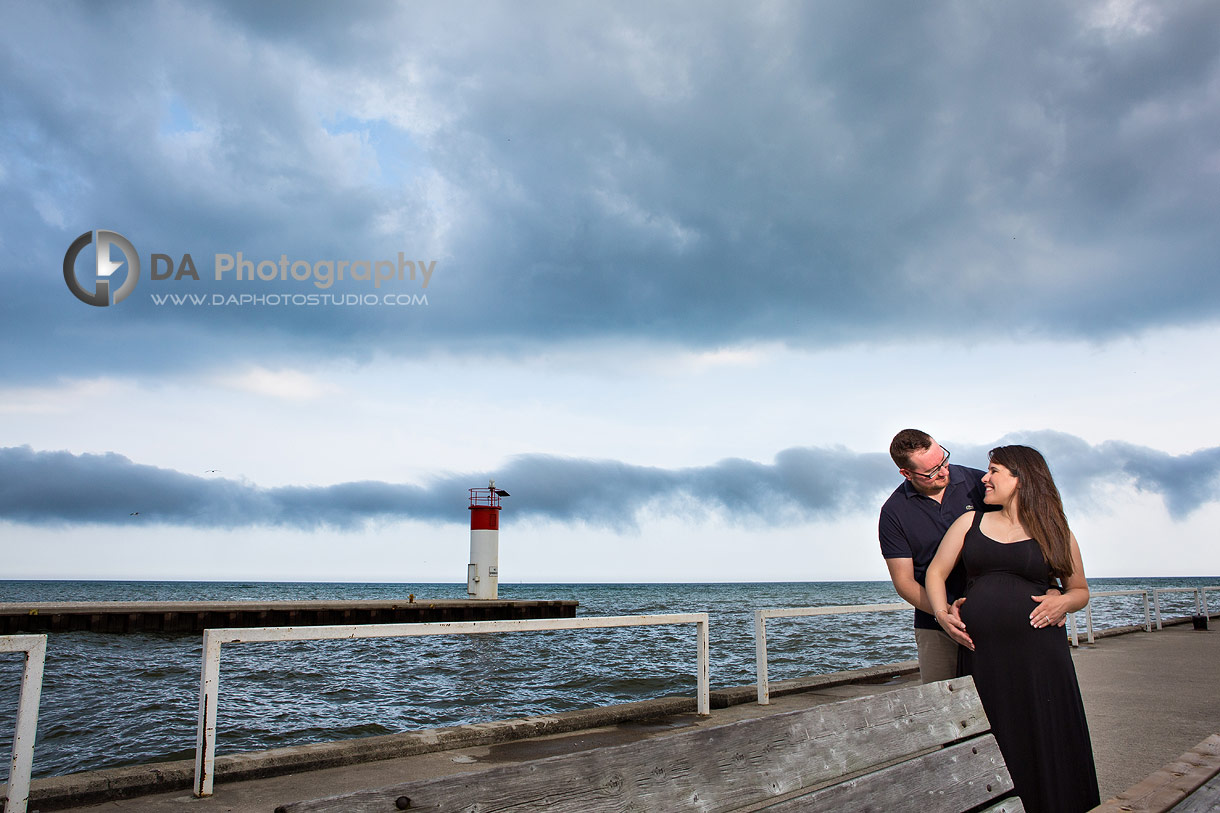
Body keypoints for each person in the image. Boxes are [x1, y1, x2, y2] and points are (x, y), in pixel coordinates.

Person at [925, 445, 1100, 813]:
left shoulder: (1055, 530)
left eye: (994, 471)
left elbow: (1080, 590)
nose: (984, 479)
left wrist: (1062, 601)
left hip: (1040, 659)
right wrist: (942, 614)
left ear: (1021, 478)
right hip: (983, 656)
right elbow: (935, 573)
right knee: (992, 737)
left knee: (1044, 735)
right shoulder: (969, 523)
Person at [878, 429, 986, 682]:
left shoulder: (979, 484)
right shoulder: (894, 512)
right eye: (932, 471)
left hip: (992, 616)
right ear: (906, 473)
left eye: (944, 461)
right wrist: (944, 614)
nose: (944, 471)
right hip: (935, 627)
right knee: (944, 708)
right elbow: (904, 582)